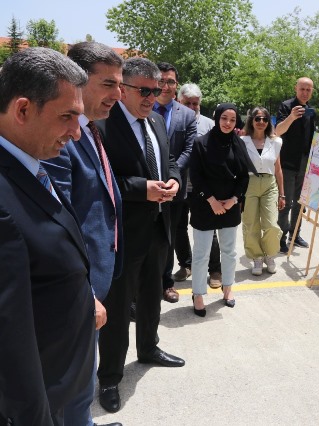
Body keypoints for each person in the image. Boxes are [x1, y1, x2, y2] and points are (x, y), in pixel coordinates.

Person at [0, 47, 95, 426]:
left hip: (60, 385)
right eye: (67, 117)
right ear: (22, 110)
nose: (76, 133)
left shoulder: (32, 166)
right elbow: (9, 336)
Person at [96, 57, 185, 414]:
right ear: (124, 89)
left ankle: (148, 348)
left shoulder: (158, 123)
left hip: (159, 228)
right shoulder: (101, 126)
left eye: (158, 90)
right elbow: (100, 181)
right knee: (118, 308)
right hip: (124, 234)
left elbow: (171, 160)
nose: (153, 97)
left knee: (151, 296)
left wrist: (175, 179)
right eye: (145, 91)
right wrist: (141, 188)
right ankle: (110, 377)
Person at [42, 41, 124, 426]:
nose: (118, 94)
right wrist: (86, 293)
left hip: (94, 282)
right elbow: (59, 222)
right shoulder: (61, 139)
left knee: (82, 382)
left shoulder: (91, 130)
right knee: (72, 391)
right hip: (77, 291)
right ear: (77, 80)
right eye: (108, 84)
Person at [190, 103, 255, 316]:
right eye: (224, 118)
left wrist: (233, 200)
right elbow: (196, 177)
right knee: (201, 254)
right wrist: (212, 201)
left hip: (230, 205)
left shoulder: (238, 144)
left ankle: (228, 288)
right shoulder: (201, 143)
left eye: (232, 120)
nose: (227, 123)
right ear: (217, 118)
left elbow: (244, 177)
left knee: (229, 251)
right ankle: (198, 294)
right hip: (205, 205)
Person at [154, 62, 197, 303]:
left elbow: (189, 149)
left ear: (176, 85)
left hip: (174, 187)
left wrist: (171, 176)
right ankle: (143, 284)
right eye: (161, 81)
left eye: (170, 81)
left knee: (169, 237)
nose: (166, 86)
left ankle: (166, 283)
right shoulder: (143, 110)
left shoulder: (187, 115)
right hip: (146, 186)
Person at [175, 83, 223, 289]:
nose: (192, 107)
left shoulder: (210, 125)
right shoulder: (172, 122)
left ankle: (215, 270)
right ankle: (186, 265)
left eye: (196, 104)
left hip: (201, 188)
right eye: (188, 103)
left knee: (208, 229)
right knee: (178, 228)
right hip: (177, 186)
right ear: (179, 101)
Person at [241, 107, 286, 275]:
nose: (261, 122)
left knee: (271, 224)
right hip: (249, 184)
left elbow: (278, 169)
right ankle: (257, 257)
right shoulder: (242, 141)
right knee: (251, 224)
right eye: (257, 118)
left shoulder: (275, 142)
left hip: (269, 184)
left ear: (269, 122)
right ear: (251, 120)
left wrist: (282, 193)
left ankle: (270, 254)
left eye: (264, 119)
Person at [275, 77, 315, 253]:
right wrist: (291, 117)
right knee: (286, 203)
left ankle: (295, 234)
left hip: (305, 165)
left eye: (308, 90)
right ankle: (280, 238)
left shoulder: (310, 111)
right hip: (287, 164)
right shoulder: (286, 106)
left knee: (300, 202)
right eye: (302, 89)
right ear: (296, 89)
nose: (305, 93)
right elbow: (278, 131)